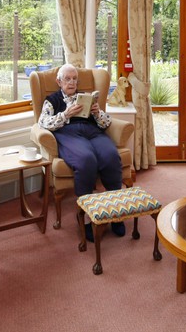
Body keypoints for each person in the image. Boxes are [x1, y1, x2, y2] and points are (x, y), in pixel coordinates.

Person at [38, 64, 125, 240]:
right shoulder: (52, 100)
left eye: (74, 79)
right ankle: (85, 217)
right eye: (67, 79)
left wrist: (97, 112)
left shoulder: (86, 97)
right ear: (59, 81)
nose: (72, 82)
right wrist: (66, 114)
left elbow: (105, 123)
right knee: (86, 160)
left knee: (111, 156)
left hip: (92, 132)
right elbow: (43, 123)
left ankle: (115, 213)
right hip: (68, 133)